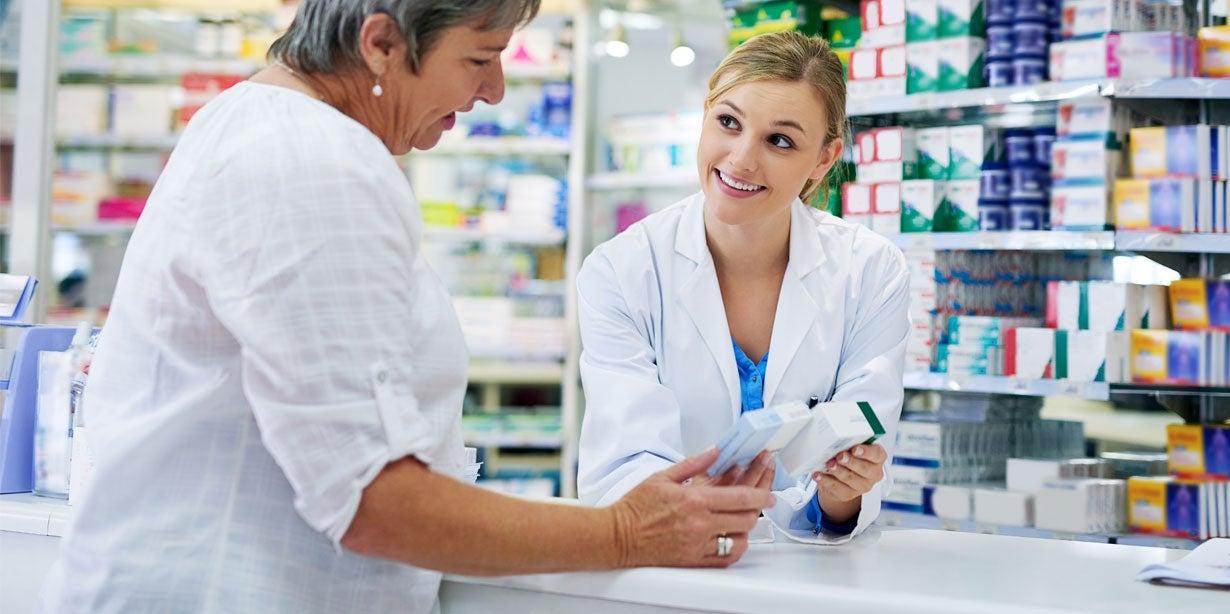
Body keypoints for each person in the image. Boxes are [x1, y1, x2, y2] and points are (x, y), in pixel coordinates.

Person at [40, 2, 773, 612]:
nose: (494, 92)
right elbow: (371, 501)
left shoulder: (272, 127)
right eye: (480, 58)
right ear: (382, 43)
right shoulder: (311, 161)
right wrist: (622, 533)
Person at [577, 31, 910, 542]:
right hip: (666, 565)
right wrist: (702, 513)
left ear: (823, 159)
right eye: (728, 123)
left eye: (780, 141)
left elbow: (851, 476)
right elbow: (624, 461)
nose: (740, 159)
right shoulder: (622, 271)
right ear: (704, 117)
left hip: (812, 577)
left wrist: (842, 491)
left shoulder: (870, 271)